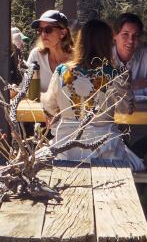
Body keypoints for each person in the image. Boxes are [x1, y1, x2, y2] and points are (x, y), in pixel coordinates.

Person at [38, 19, 140, 169]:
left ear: (80, 42)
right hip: (105, 153)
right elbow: (127, 110)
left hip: (66, 151)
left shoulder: (62, 72)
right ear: (107, 44)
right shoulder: (116, 74)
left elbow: (49, 108)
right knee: (137, 165)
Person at [22, 9, 77, 96]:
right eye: (40, 30)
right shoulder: (36, 55)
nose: (43, 34)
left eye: (48, 29)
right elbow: (24, 87)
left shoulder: (77, 58)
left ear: (63, 33)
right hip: (38, 109)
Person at [110, 13, 147, 91]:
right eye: (125, 34)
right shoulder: (105, 57)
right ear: (114, 35)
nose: (131, 40)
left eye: (135, 35)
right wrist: (131, 87)